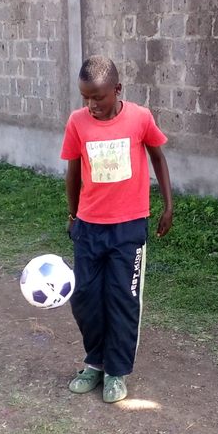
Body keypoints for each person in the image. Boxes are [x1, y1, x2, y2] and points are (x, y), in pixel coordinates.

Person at [61, 55, 173, 404]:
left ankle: (116, 372)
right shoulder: (77, 122)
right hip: (89, 226)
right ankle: (94, 363)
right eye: (85, 98)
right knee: (85, 297)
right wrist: (72, 214)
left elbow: (158, 158)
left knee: (123, 299)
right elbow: (73, 171)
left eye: (98, 97)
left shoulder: (140, 118)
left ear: (117, 89)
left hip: (128, 228)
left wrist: (168, 205)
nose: (91, 105)